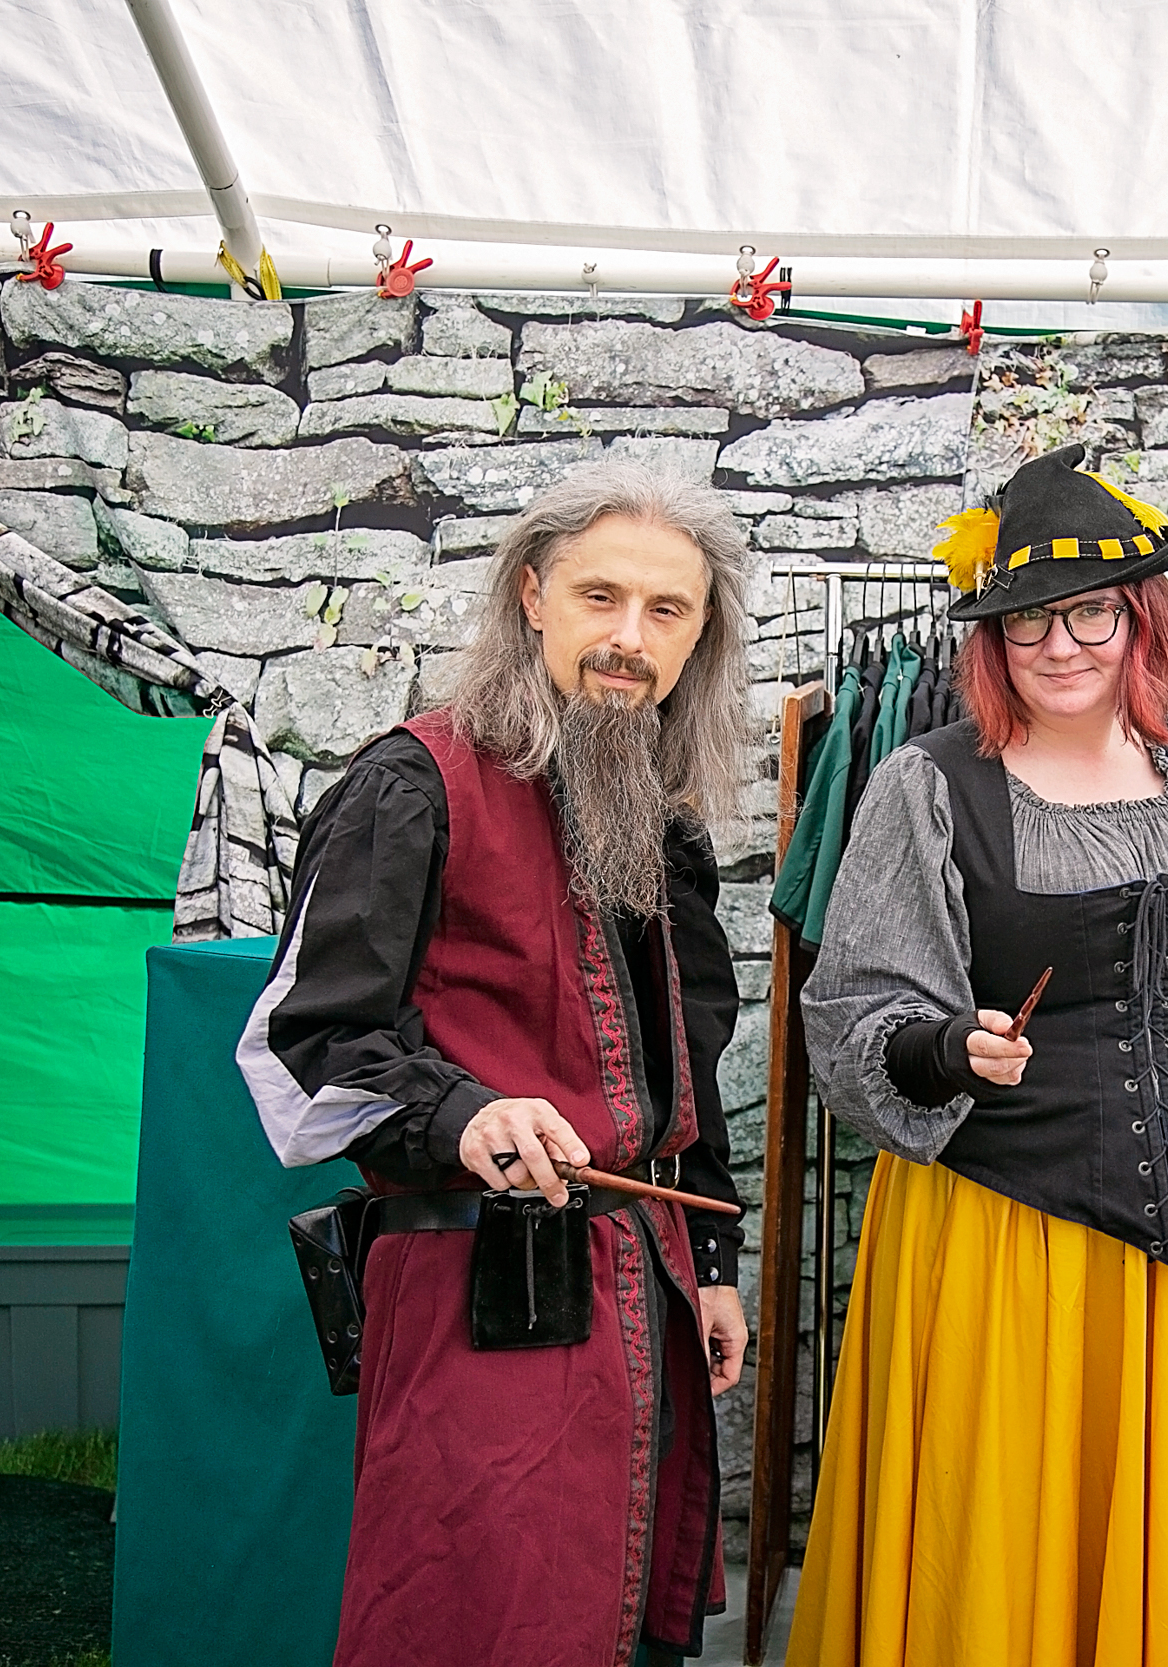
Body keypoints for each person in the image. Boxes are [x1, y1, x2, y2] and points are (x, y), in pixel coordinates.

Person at [791, 446, 1168, 1666]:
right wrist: (952, 1048)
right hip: (1002, 1235)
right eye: (1029, 618)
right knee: (1008, 1554)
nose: (1062, 643)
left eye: (1092, 612)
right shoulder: (927, 784)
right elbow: (854, 1014)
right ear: (993, 639)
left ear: (1141, 621)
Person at [237, 460, 753, 1667]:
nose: (629, 640)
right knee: (477, 1616)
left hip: (646, 1295)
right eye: (599, 596)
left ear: (697, 636)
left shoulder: (659, 817)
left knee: (623, 1625)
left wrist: (712, 1261)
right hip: (477, 1297)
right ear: (532, 595)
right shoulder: (411, 784)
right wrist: (462, 1112)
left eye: (666, 610)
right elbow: (307, 1042)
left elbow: (683, 1070)